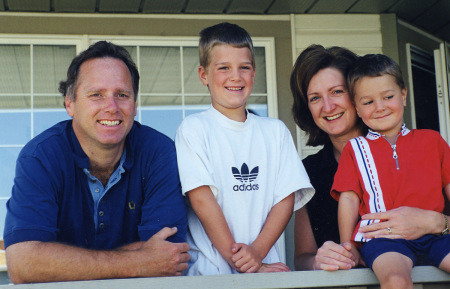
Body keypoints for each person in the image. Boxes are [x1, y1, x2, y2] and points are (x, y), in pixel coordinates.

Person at [3, 41, 190, 284]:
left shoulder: (158, 153)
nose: (111, 107)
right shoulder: (41, 157)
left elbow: (169, 256)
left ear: (134, 105)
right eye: (96, 95)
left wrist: (63, 261)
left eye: (122, 95)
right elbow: (23, 263)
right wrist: (139, 261)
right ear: (70, 103)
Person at [291, 44, 450, 271]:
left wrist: (437, 222)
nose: (328, 106)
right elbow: (302, 258)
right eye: (315, 98)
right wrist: (318, 261)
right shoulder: (309, 171)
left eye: (337, 91)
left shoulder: (423, 148)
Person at [175, 22, 314, 275]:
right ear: (203, 75)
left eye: (244, 67)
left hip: (266, 272)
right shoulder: (194, 129)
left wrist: (258, 254)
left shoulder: (275, 132)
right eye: (223, 68)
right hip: (211, 274)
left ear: (254, 73)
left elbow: (285, 199)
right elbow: (203, 202)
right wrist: (248, 263)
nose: (235, 76)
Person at [332, 54, 450, 288]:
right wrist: (348, 246)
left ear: (403, 96)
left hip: (437, 236)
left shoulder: (433, 140)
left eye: (388, 97)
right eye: (368, 102)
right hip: (384, 239)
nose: (380, 107)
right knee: (395, 280)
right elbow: (348, 199)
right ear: (356, 107)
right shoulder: (355, 149)